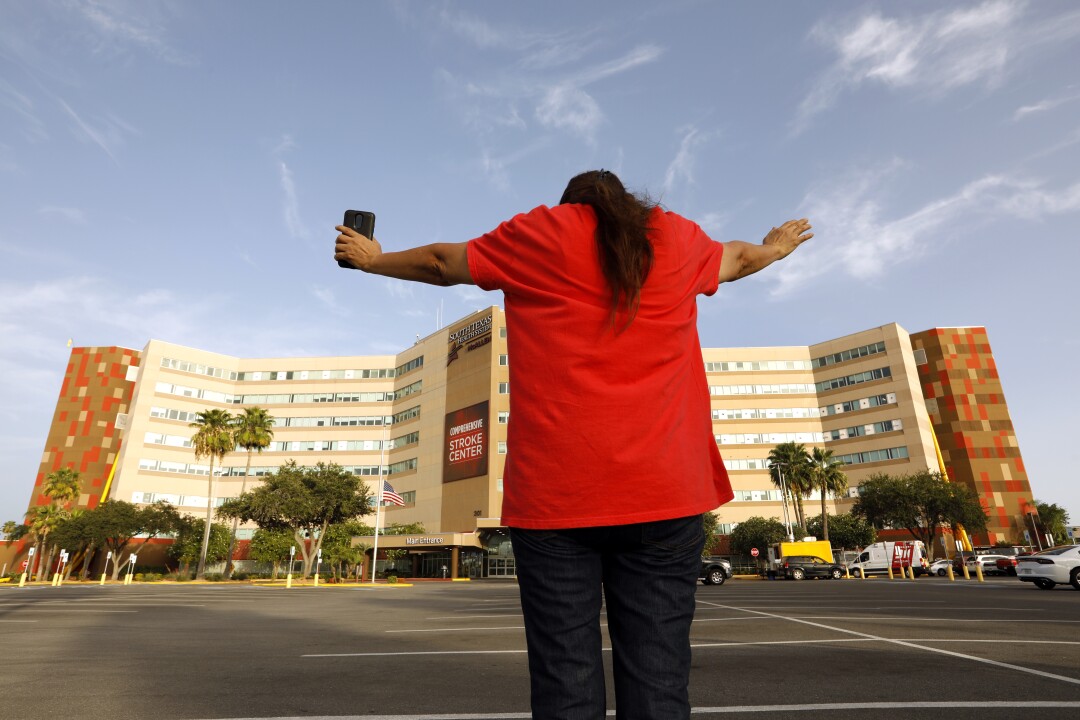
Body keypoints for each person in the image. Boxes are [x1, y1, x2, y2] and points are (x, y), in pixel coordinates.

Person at [334, 170, 811, 719]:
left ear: (571, 205)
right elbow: (739, 259)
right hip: (666, 495)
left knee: (565, 680)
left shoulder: (541, 233)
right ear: (628, 203)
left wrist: (374, 258)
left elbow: (443, 263)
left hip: (555, 503)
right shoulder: (675, 237)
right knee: (658, 678)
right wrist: (775, 249)